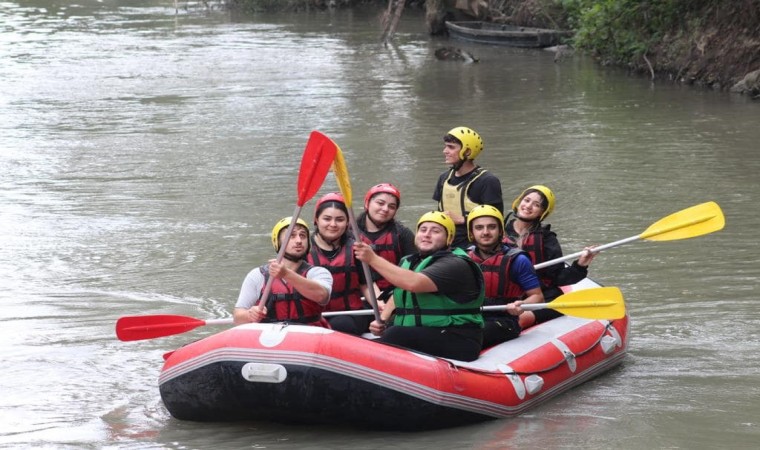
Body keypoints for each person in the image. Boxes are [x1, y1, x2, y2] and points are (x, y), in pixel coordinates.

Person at [353, 211, 485, 362]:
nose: (427, 234)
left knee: (396, 334)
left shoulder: (455, 264)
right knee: (393, 331)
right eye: (423, 230)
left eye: (435, 231)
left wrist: (372, 259)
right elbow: (401, 292)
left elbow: (413, 283)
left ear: (450, 238)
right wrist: (382, 319)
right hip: (424, 333)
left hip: (458, 338)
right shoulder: (409, 261)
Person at [504, 185, 596, 329]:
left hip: (541, 297)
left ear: (542, 212)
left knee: (527, 316)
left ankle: (527, 318)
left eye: (536, 205)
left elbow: (559, 277)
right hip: (504, 296)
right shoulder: (497, 232)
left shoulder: (546, 239)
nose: (528, 206)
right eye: (526, 200)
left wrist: (581, 264)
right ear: (518, 201)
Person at [466, 205, 544, 348]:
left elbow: (538, 297)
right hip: (471, 317)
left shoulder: (518, 260)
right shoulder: (464, 258)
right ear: (471, 232)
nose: (485, 232)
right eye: (479, 228)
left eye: (491, 227)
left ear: (500, 230)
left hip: (504, 321)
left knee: (471, 336)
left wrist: (522, 305)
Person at [233, 216, 332, 328]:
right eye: (291, 236)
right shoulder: (257, 275)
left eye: (303, 236)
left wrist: (286, 274)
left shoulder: (319, 273)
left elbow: (322, 296)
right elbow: (237, 318)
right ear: (278, 242)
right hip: (269, 336)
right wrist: (249, 315)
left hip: (308, 335)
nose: (299, 241)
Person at [308, 192, 373, 335]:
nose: (333, 224)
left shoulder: (357, 248)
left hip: (352, 313)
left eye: (339, 219)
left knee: (341, 325)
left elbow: (366, 284)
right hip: (315, 315)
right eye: (327, 219)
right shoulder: (302, 248)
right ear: (316, 220)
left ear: (347, 222)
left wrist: (379, 304)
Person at [432, 126, 503, 249]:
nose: (445, 151)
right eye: (446, 146)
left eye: (451, 147)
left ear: (467, 152)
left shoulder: (487, 181)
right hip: (447, 243)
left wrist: (463, 220)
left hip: (474, 245)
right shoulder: (443, 178)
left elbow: (497, 220)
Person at [355, 183, 415, 297]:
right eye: (380, 203)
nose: (385, 209)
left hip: (395, 294)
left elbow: (414, 270)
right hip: (361, 296)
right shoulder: (349, 234)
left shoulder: (403, 234)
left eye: (391, 206)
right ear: (367, 203)